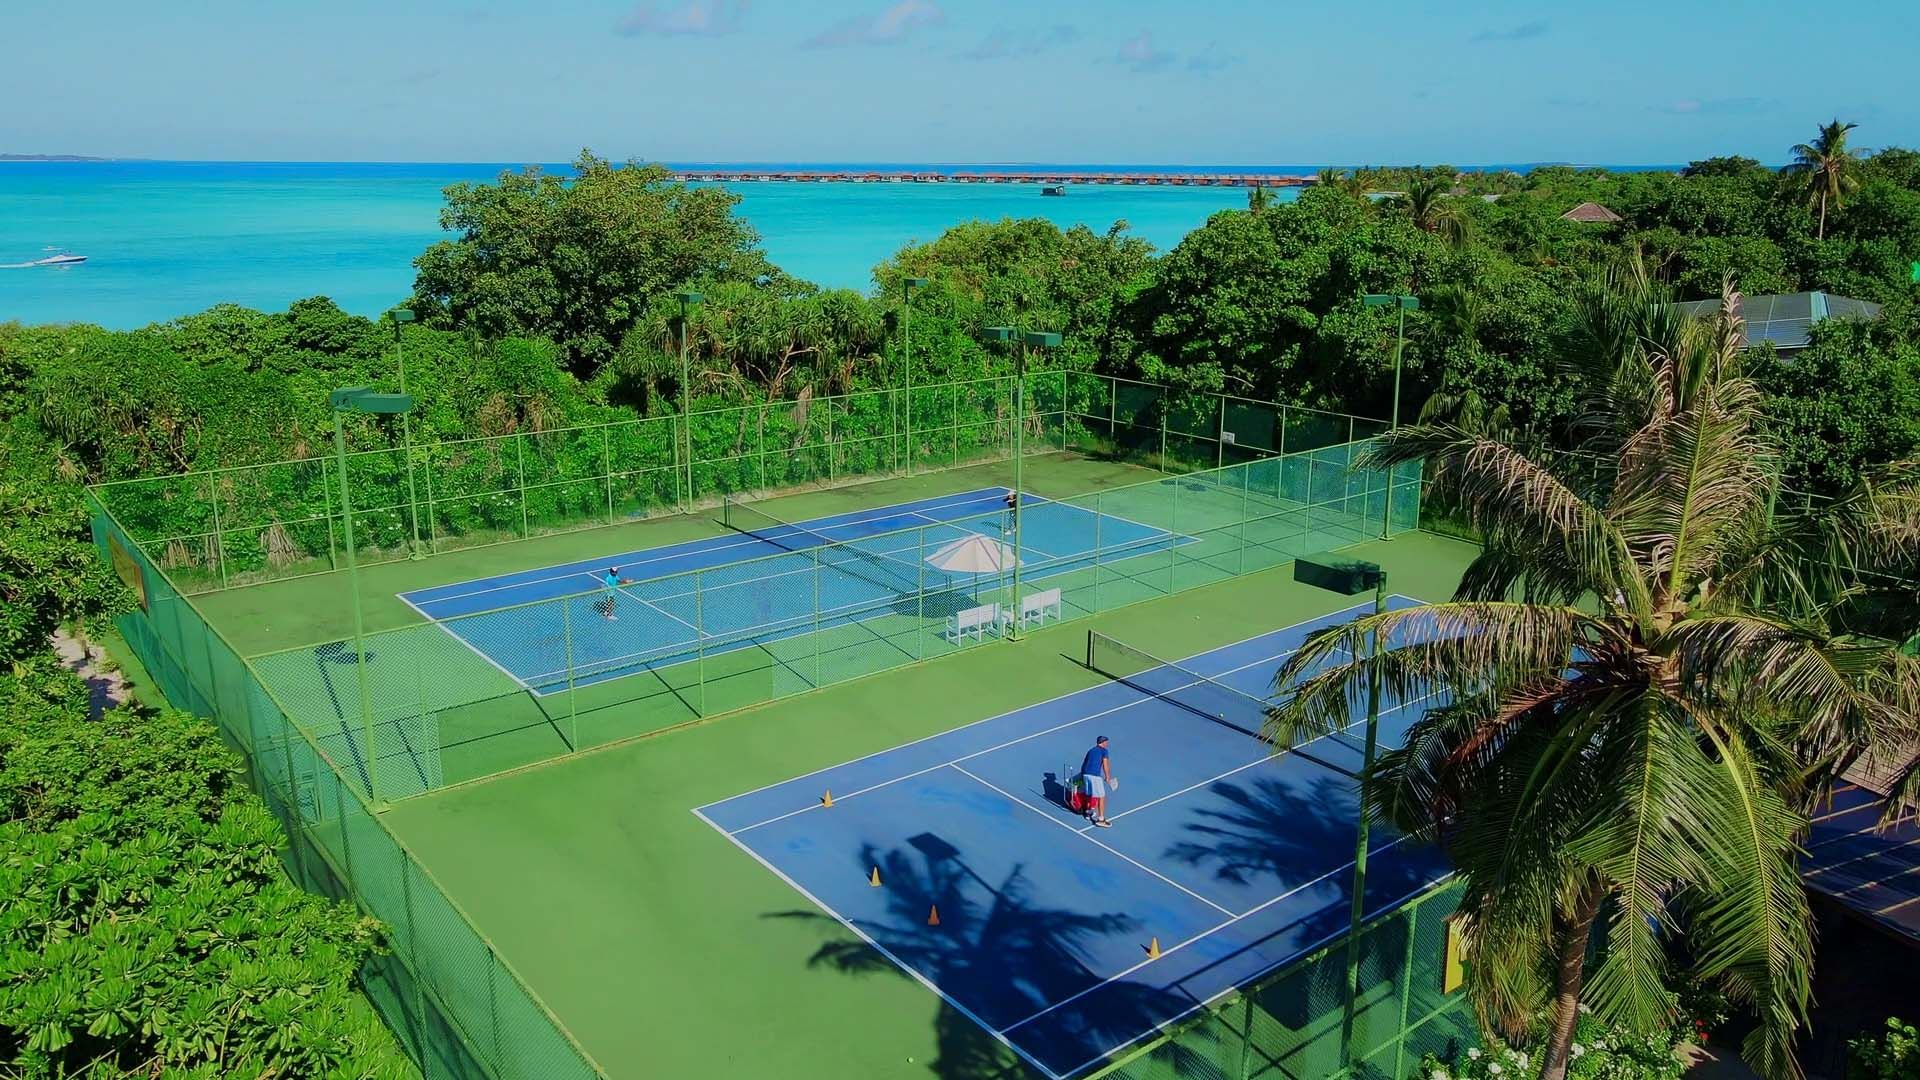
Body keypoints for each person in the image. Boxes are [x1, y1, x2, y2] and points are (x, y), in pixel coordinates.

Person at [1080, 735, 1117, 827]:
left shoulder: (1091, 750)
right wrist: (1107, 777)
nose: (1107, 744)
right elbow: (1105, 764)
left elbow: (1084, 763)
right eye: (1106, 742)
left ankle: (1088, 812)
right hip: (1094, 776)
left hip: (1085, 774)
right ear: (1103, 742)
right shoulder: (1104, 751)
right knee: (1102, 797)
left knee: (1089, 794)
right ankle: (1101, 819)